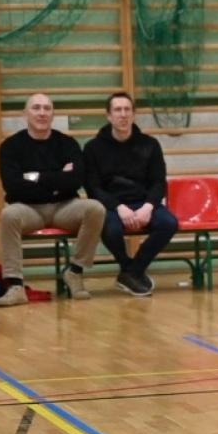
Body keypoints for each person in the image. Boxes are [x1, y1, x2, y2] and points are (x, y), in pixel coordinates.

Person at [0, 93, 106, 304]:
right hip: (28, 209)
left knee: (95, 209)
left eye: (47, 108)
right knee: (8, 215)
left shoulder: (68, 143)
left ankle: (75, 271)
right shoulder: (10, 147)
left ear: (53, 114)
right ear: (26, 113)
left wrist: (34, 177)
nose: (42, 113)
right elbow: (13, 186)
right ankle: (16, 285)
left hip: (64, 207)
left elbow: (76, 180)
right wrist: (57, 178)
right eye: (36, 108)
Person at [83, 91, 175, 297]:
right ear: (108, 116)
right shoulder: (92, 148)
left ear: (133, 115)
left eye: (127, 110)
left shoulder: (150, 144)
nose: (123, 115)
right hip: (112, 206)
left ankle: (132, 271)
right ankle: (128, 267)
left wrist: (148, 207)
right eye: (117, 110)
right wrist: (119, 207)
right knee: (109, 227)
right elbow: (93, 188)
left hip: (144, 203)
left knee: (169, 223)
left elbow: (159, 182)